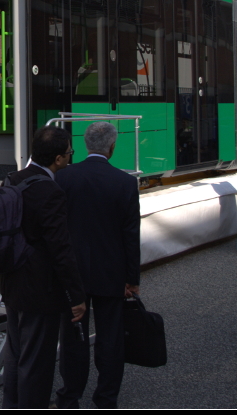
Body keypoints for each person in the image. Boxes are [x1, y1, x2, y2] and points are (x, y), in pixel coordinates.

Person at [0, 126, 86, 409]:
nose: (71, 157)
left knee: (16, 352)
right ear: (58, 159)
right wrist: (76, 295)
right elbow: (61, 249)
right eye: (70, 153)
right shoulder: (50, 191)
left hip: (10, 282)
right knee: (37, 361)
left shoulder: (11, 179)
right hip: (40, 290)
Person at [53, 122, 140, 409]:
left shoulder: (64, 177)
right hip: (111, 272)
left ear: (85, 144)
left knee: (73, 337)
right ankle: (105, 398)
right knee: (110, 337)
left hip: (73, 273)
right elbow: (131, 234)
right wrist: (132, 277)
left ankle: (70, 396)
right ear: (112, 146)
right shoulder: (125, 183)